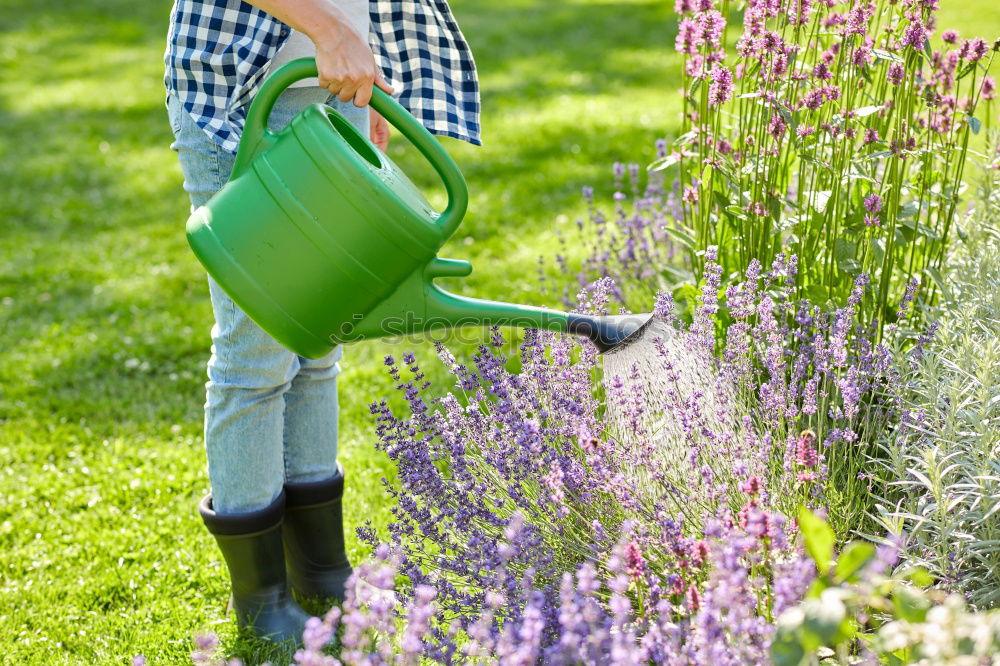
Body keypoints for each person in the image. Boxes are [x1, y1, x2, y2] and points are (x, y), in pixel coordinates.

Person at [163, 0, 480, 643]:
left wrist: (360, 70)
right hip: (242, 94)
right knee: (257, 353)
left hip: (337, 87)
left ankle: (321, 571)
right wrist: (331, 32)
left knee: (317, 343)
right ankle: (260, 600)